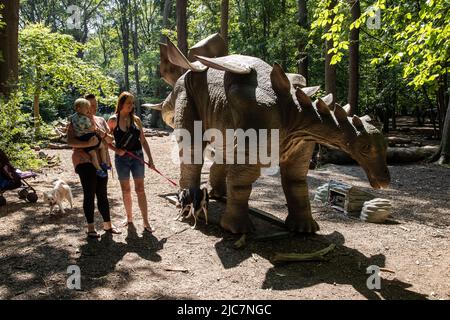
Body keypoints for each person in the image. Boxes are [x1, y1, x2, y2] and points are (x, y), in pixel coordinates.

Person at [67, 94, 121, 238]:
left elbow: (110, 140)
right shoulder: (75, 120)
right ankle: (91, 228)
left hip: (101, 161)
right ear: (83, 107)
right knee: (89, 193)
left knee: (102, 193)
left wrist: (102, 133)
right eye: (90, 105)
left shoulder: (100, 120)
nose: (93, 108)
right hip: (84, 161)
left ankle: (108, 225)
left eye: (95, 104)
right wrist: (87, 144)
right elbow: (70, 141)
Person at [108, 92, 156, 233]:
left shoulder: (136, 120)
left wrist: (151, 159)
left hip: (138, 157)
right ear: (121, 103)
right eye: (128, 102)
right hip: (121, 159)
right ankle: (129, 218)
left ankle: (146, 222)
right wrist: (117, 151)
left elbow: (143, 140)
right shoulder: (113, 120)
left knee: (140, 189)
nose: (131, 105)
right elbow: (105, 141)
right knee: (126, 190)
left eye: (132, 103)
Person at [68, 98, 110, 178]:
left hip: (82, 137)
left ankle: (99, 168)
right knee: (101, 147)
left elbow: (110, 139)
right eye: (87, 107)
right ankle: (103, 163)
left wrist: (104, 135)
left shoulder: (73, 117)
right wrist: (91, 121)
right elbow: (91, 128)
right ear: (78, 108)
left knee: (93, 153)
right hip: (87, 141)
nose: (90, 109)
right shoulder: (84, 119)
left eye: (95, 105)